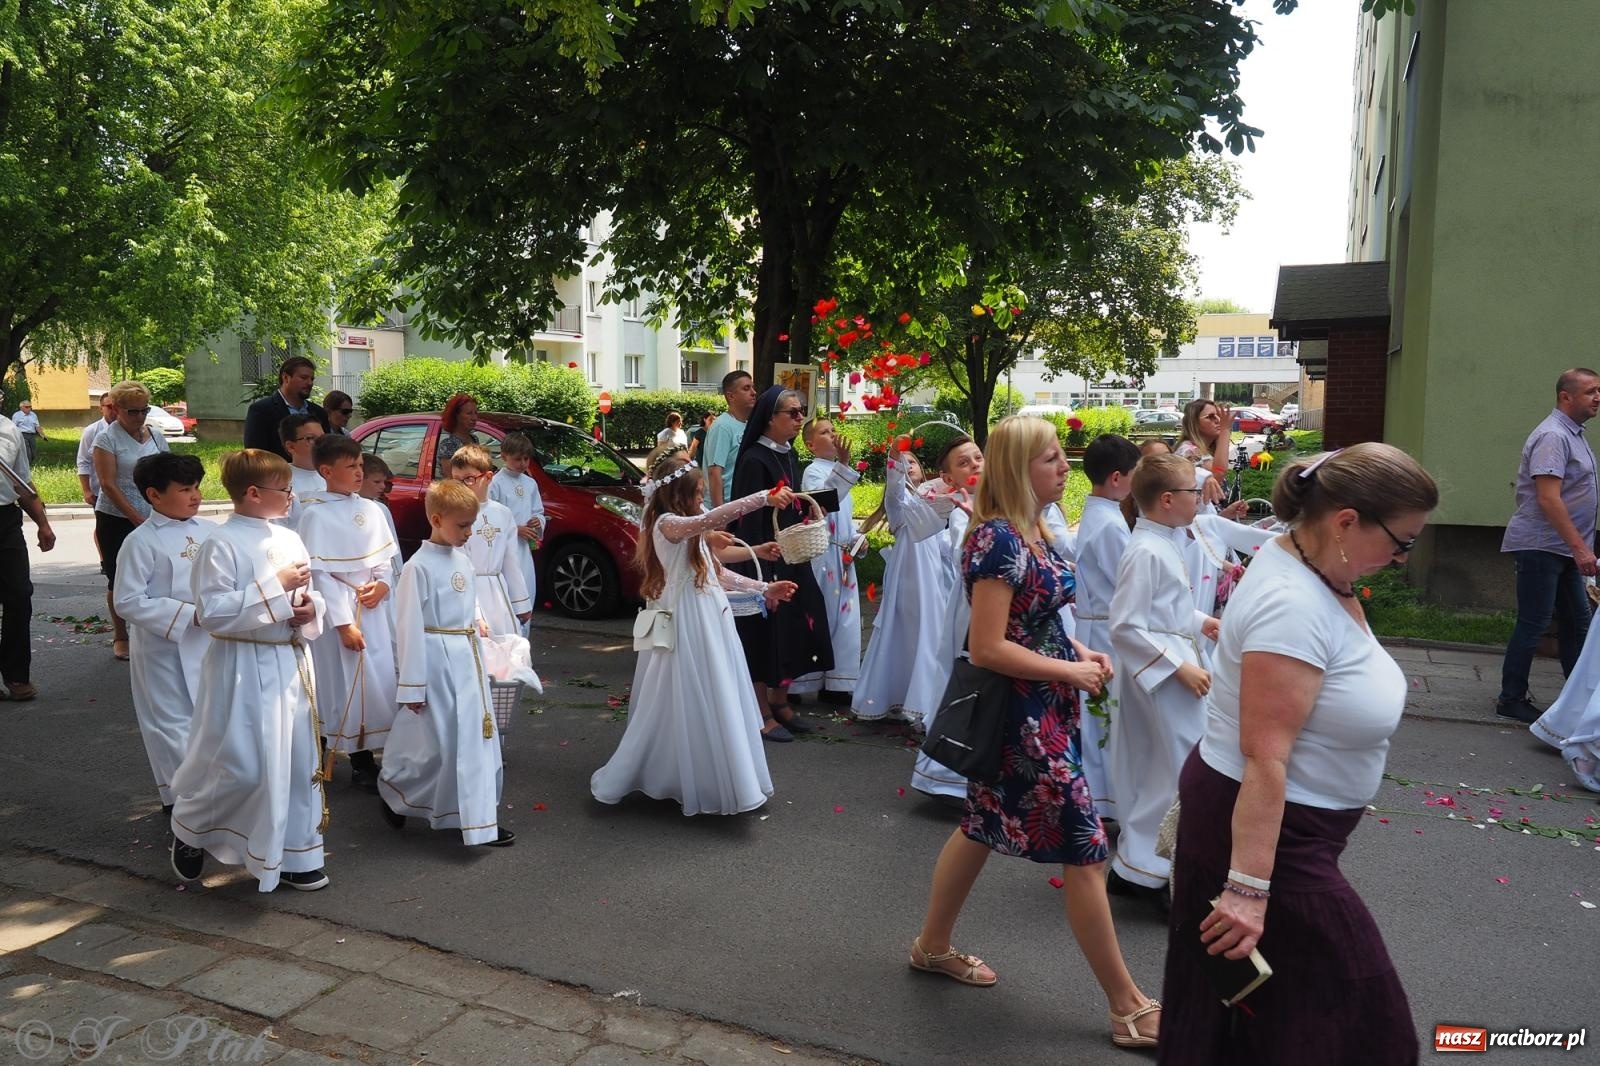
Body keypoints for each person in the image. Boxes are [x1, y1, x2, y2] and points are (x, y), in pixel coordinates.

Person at [1159, 443, 1435, 1065]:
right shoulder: (1293, 603)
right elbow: (1266, 758)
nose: (1400, 557)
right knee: (1362, 1020)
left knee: (1270, 1020)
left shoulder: (1318, 568)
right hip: (1271, 839)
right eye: (1401, 541)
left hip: (1287, 831)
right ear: (1344, 521)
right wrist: (1247, 890)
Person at [908, 416, 1161, 1051]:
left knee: (979, 824)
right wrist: (1070, 669)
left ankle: (931, 948)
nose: (1065, 467)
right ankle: (1127, 1005)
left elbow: (1036, 618)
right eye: (1051, 459)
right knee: (1086, 849)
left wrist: (1077, 650)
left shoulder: (1035, 529)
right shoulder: (997, 538)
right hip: (1024, 721)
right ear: (1020, 468)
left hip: (1045, 706)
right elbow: (987, 647)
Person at [591, 455, 797, 814]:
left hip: (709, 615)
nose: (702, 500)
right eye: (698, 494)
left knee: (717, 690)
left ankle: (712, 775)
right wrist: (762, 497)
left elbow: (718, 574)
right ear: (679, 495)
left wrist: (764, 588)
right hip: (687, 618)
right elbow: (708, 519)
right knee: (687, 690)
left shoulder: (693, 531)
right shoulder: (668, 524)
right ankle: (678, 772)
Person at [168, 449, 330, 892]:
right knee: (241, 766)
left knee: (298, 762)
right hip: (240, 663)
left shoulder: (289, 537)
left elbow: (310, 593)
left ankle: (297, 853)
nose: (293, 497)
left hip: (287, 661)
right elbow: (214, 613)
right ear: (254, 493)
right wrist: (274, 588)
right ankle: (190, 826)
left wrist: (307, 609)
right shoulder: (220, 544)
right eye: (285, 489)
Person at [1106, 453, 1219, 905]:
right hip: (1162, 675)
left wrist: (1198, 622)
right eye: (1194, 491)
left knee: (1169, 769)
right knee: (1178, 770)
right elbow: (1125, 626)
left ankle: (1143, 868)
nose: (1201, 498)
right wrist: (1179, 667)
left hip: (1171, 665)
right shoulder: (1146, 550)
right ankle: (1154, 869)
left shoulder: (1162, 541)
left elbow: (1163, 609)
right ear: (1169, 499)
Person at [378, 479, 514, 847]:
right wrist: (412, 685)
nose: (469, 533)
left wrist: (478, 618)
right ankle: (396, 790)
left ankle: (479, 819)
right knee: (437, 745)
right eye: (463, 525)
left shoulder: (462, 560)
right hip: (436, 662)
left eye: (472, 524)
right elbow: (407, 627)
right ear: (437, 519)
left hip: (467, 659)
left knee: (477, 741)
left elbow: (468, 601)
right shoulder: (417, 568)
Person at [295, 433, 399, 794]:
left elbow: (386, 561)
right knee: (339, 685)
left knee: (376, 682)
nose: (358, 472)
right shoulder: (314, 513)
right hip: (339, 615)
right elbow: (320, 575)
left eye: (359, 465)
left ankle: (368, 751)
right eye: (350, 466)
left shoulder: (372, 510)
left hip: (372, 607)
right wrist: (342, 624)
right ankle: (338, 755)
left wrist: (384, 585)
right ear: (326, 470)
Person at [728, 386, 833, 741]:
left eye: (801, 410)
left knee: (792, 630)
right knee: (762, 636)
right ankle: (761, 712)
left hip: (791, 553)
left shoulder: (787, 454)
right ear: (770, 418)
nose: (800, 417)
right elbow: (746, 513)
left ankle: (781, 701)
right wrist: (762, 556)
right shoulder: (754, 459)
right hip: (763, 557)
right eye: (792, 412)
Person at [113, 453, 213, 822]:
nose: (195, 495)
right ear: (154, 495)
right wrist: (188, 615)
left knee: (209, 718)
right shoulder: (140, 542)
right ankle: (181, 802)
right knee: (171, 724)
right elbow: (127, 600)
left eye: (197, 487)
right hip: (163, 647)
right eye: (185, 489)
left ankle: (214, 798)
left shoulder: (210, 532)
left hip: (207, 643)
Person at [1496, 368, 1600, 723]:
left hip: (1565, 549)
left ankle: (1579, 698)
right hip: (1544, 546)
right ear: (1565, 397)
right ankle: (1511, 698)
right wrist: (1581, 549)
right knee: (1535, 621)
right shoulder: (1554, 436)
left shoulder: (1574, 435)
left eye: (1599, 390)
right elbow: (1548, 498)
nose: (1598, 397)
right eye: (1590, 391)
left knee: (1577, 622)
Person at [905, 435, 987, 797]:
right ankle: (949, 772)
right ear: (949, 479)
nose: (975, 466)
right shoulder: (959, 513)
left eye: (978, 458)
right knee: (966, 678)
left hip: (996, 602)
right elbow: (960, 555)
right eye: (964, 463)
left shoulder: (1005, 500)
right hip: (971, 603)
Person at [853, 451, 956, 723]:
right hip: (909, 572)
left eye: (911, 462)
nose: (906, 466)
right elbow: (895, 491)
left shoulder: (930, 497)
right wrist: (894, 462)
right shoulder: (899, 503)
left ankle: (923, 699)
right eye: (901, 463)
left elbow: (943, 540)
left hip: (932, 570)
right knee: (909, 628)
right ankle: (905, 697)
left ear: (922, 469)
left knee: (931, 630)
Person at [1071, 433, 1141, 820]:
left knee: (1100, 716)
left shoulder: (1097, 512)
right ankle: (1101, 800)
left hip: (1094, 624)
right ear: (1117, 477)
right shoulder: (1111, 525)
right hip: (1103, 632)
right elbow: (1125, 583)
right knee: (1105, 718)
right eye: (1134, 474)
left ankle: (1098, 797)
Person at [93, 380, 171, 660]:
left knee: (157, 573)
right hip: (116, 517)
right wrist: (136, 518)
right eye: (132, 412)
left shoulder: (154, 435)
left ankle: (154, 628)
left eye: (144, 410)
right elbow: (108, 484)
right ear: (116, 409)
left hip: (155, 515)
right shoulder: (106, 439)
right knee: (119, 577)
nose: (139, 417)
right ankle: (121, 634)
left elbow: (167, 472)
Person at [790, 417, 861, 705]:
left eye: (833, 430)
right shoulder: (812, 472)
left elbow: (844, 516)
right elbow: (824, 502)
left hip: (843, 552)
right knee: (825, 614)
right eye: (824, 432)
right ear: (810, 444)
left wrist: (857, 538)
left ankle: (838, 681)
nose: (832, 435)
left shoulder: (837, 470)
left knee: (846, 619)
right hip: (823, 554)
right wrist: (843, 465)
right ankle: (805, 680)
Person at [0, 415, 56, 702]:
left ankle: (16, 675)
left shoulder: (8, 429)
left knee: (19, 596)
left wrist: (42, 523)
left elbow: (22, 481)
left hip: (5, 519)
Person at [449, 445, 532, 635]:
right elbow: (459, 566)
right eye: (456, 481)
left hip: (497, 593)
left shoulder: (502, 514)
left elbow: (511, 561)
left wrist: (521, 603)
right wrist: (475, 613)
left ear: (487, 477)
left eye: (468, 479)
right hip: (467, 592)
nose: (462, 487)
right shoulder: (453, 516)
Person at [489, 431, 546, 624]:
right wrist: (515, 529)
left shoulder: (530, 484)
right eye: (517, 459)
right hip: (505, 549)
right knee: (509, 595)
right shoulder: (496, 483)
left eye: (526, 459)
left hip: (524, 550)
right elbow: (491, 518)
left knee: (526, 590)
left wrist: (538, 521)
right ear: (504, 456)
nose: (522, 463)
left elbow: (538, 510)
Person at [242, 356, 328, 460]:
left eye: (312, 379)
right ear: (286, 378)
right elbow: (255, 455)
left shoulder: (319, 413)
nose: (310, 383)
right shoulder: (261, 411)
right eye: (304, 378)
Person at [704, 371, 758, 508]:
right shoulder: (722, 426)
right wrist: (720, 515)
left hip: (741, 507)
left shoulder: (748, 425)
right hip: (727, 509)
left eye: (752, 387)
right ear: (731, 396)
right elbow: (714, 472)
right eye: (746, 388)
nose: (753, 392)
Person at [1175, 398, 1233, 507]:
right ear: (1194, 423)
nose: (1218, 420)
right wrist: (1225, 432)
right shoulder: (1189, 450)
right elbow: (1218, 473)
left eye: (1219, 416)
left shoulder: (1205, 450)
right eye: (1210, 417)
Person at [279, 413, 326, 524]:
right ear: (291, 446)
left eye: (323, 438)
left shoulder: (335, 474)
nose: (320, 444)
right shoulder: (281, 482)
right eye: (311, 438)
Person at [76, 394, 118, 505]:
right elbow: (83, 461)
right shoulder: (91, 431)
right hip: (99, 491)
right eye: (109, 406)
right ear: (101, 408)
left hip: (124, 491)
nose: (113, 410)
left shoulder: (127, 429)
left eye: (116, 406)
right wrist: (86, 490)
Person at [435, 393, 480, 472]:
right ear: (456, 416)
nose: (474, 418)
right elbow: (450, 479)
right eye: (469, 413)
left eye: (476, 413)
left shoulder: (474, 439)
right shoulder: (448, 445)